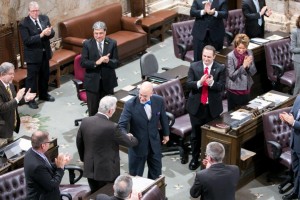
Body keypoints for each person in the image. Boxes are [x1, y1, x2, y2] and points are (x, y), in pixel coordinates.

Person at [76, 95, 138, 193]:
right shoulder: (112, 127)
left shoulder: (85, 121)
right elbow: (129, 143)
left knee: (95, 193)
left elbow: (79, 143)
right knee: (107, 194)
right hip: (107, 172)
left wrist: (84, 159)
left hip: (89, 169)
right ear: (110, 111)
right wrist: (131, 137)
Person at [118, 81, 170, 180]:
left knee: (156, 174)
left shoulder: (159, 100)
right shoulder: (130, 104)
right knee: (136, 177)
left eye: (145, 96)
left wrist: (166, 134)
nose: (142, 98)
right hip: (138, 146)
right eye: (140, 95)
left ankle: (153, 194)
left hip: (154, 144)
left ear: (151, 93)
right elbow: (121, 125)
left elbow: (163, 118)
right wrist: (126, 135)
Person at [186, 45, 226, 170]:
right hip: (197, 108)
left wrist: (212, 83)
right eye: (204, 56)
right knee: (195, 135)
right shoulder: (194, 66)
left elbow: (222, 87)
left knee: (210, 136)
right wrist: (199, 83)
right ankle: (194, 158)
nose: (206, 59)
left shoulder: (220, 68)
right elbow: (188, 84)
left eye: (209, 57)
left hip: (212, 109)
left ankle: (211, 161)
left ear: (214, 56)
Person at [19, 1, 55, 109]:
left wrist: (49, 33)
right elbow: (27, 41)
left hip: (45, 53)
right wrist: (41, 35)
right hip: (33, 56)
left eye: (37, 10)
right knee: (32, 79)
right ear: (29, 12)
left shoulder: (44, 18)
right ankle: (31, 99)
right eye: (33, 11)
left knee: (45, 75)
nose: (35, 13)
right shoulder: (24, 24)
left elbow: (52, 32)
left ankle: (43, 94)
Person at [81, 21, 118, 116]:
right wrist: (96, 62)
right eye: (96, 33)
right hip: (93, 83)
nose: (98, 36)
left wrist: (108, 61)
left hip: (107, 82)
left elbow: (116, 62)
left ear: (105, 32)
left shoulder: (112, 43)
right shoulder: (87, 44)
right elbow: (83, 63)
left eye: (101, 33)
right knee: (93, 111)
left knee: (108, 110)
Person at [24, 130, 71, 199]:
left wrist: (60, 163)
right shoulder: (37, 166)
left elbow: (46, 167)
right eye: (49, 142)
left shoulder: (32, 151)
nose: (49, 143)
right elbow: (52, 186)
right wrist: (60, 168)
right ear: (43, 145)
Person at [0, 62, 35, 147]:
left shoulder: (10, 85)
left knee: (10, 148)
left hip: (10, 124)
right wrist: (17, 98)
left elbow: (15, 102)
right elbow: (2, 108)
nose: (13, 76)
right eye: (10, 74)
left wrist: (25, 98)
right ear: (2, 74)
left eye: (13, 73)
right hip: (1, 127)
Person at [226, 33, 257, 111]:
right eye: (239, 48)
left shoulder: (249, 52)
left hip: (246, 89)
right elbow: (232, 76)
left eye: (244, 48)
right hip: (234, 90)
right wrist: (243, 66)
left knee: (245, 113)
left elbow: (253, 72)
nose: (241, 50)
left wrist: (248, 66)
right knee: (232, 114)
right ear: (236, 46)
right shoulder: (230, 56)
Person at [280, 95, 300, 200]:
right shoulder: (298, 98)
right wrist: (286, 118)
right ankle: (296, 192)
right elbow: (292, 113)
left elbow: (294, 122)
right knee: (296, 171)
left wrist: (293, 122)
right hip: (294, 143)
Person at [291, 16, 300, 95]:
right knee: (299, 82)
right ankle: (293, 102)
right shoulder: (295, 32)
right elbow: (292, 49)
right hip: (298, 60)